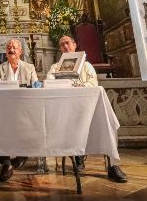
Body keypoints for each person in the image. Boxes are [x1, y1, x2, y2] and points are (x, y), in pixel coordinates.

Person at [46, 35, 128, 183]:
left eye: (68, 43)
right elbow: (49, 83)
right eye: (62, 44)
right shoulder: (55, 68)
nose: (65, 46)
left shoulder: (87, 66)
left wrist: (76, 86)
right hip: (65, 113)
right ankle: (76, 155)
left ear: (75, 45)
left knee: (108, 124)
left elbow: (93, 84)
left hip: (88, 111)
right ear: (60, 49)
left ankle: (113, 165)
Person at [0, 39, 39, 181]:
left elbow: (36, 87)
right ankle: (7, 163)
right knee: (0, 127)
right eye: (8, 47)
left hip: (25, 108)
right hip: (5, 108)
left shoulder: (29, 67)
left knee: (28, 126)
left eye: (14, 47)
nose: (11, 49)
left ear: (20, 51)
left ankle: (21, 156)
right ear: (6, 52)